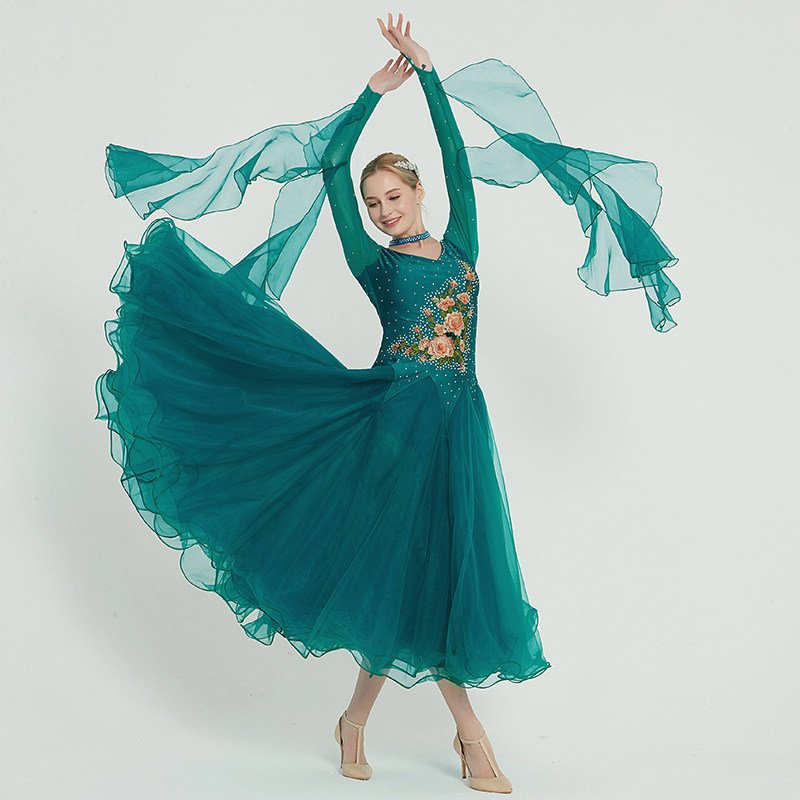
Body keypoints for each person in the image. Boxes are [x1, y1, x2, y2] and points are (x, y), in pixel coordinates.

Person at [96, 11, 677, 796]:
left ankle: (355, 722)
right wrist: (371, 93)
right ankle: (471, 737)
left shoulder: (463, 245)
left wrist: (429, 74)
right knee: (421, 577)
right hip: (395, 425)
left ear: (417, 192)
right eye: (373, 203)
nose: (382, 210)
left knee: (417, 579)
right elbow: (334, 163)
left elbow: (455, 156)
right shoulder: (373, 263)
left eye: (392, 196)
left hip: (459, 426)